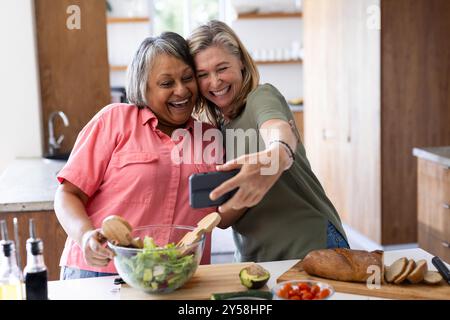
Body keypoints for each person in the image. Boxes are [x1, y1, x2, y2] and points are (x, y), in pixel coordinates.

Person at [54, 32, 219, 279]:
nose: (182, 90)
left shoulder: (209, 137)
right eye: (166, 84)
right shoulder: (114, 121)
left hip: (176, 277)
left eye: (188, 78)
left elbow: (223, 212)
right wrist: (85, 235)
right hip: (102, 271)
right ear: (143, 87)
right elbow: (67, 194)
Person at [187, 20, 350, 263]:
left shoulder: (260, 97)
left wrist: (276, 156)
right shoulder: (215, 129)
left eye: (222, 68)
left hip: (311, 246)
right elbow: (226, 219)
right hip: (256, 259)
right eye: (203, 74)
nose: (215, 81)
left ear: (241, 62)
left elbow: (277, 130)